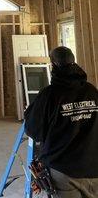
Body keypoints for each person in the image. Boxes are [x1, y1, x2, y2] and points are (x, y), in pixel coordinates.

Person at [24, 46, 98, 198]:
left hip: (63, 171)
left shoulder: (49, 95)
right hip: (94, 168)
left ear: (53, 66)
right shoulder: (92, 91)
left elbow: (32, 130)